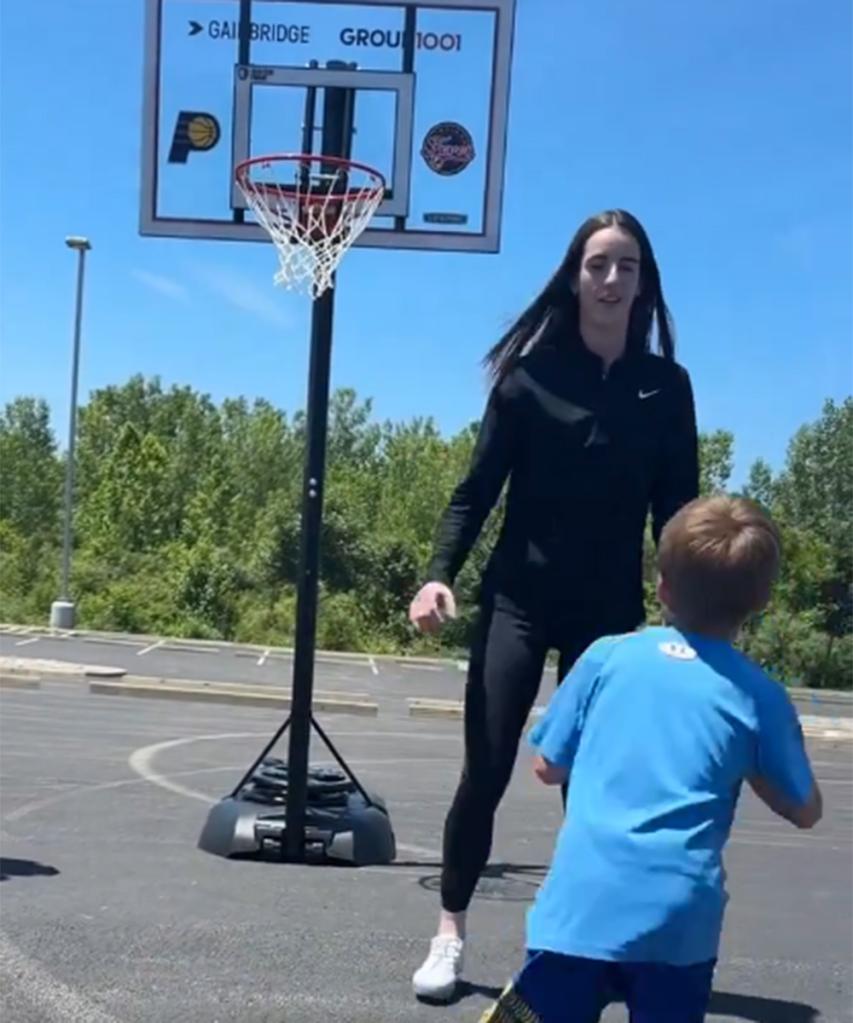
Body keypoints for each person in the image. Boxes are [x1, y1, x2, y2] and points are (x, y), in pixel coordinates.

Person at [409, 209, 700, 1000]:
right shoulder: (528, 378)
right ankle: (449, 934)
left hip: (606, 615)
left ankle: (579, 944)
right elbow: (473, 496)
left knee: (594, 788)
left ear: (643, 283)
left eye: (626, 266)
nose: (611, 280)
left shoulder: (665, 390)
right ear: (574, 275)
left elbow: (677, 511)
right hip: (517, 602)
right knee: (490, 764)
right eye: (598, 264)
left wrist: (696, 615)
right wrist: (438, 575)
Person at [479, 495, 823, 1023]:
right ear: (760, 602)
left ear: (661, 585)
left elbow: (548, 767)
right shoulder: (760, 697)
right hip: (679, 922)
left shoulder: (606, 656)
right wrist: (750, 762)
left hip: (581, 908)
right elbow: (805, 808)